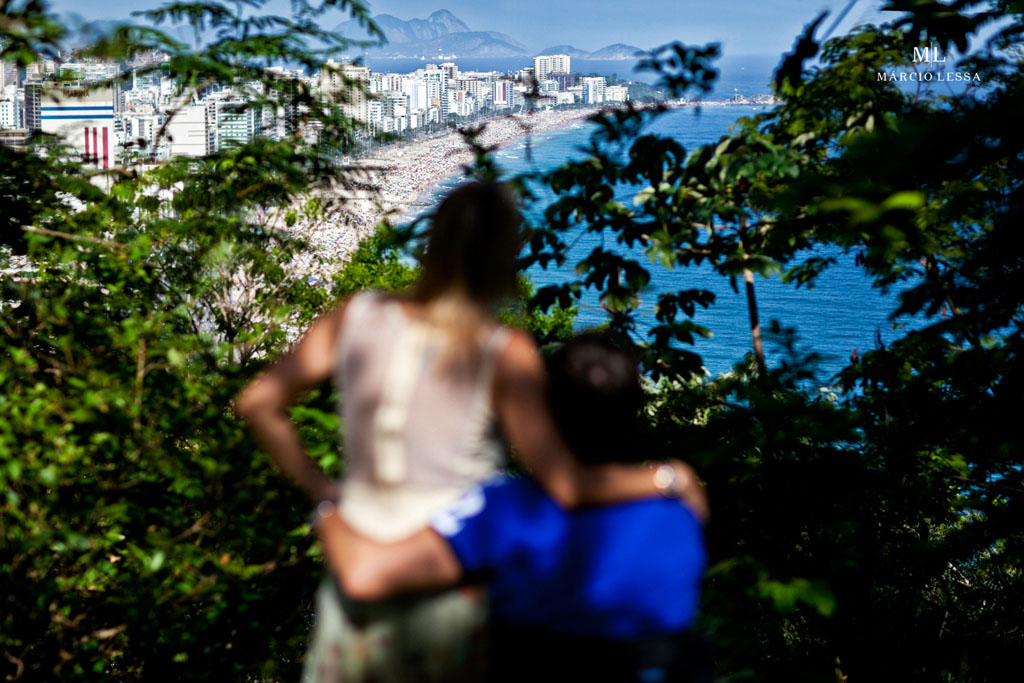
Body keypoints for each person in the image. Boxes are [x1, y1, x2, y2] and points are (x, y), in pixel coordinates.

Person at [235, 182, 707, 682]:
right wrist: (667, 479)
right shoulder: (501, 351)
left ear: (434, 241)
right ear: (503, 256)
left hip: (356, 563)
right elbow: (564, 483)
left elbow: (259, 402)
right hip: (451, 582)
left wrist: (325, 495)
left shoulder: (356, 315)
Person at [317, 333, 711, 683]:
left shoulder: (507, 510)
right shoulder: (683, 513)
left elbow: (364, 576)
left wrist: (329, 505)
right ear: (632, 414)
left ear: (547, 413)